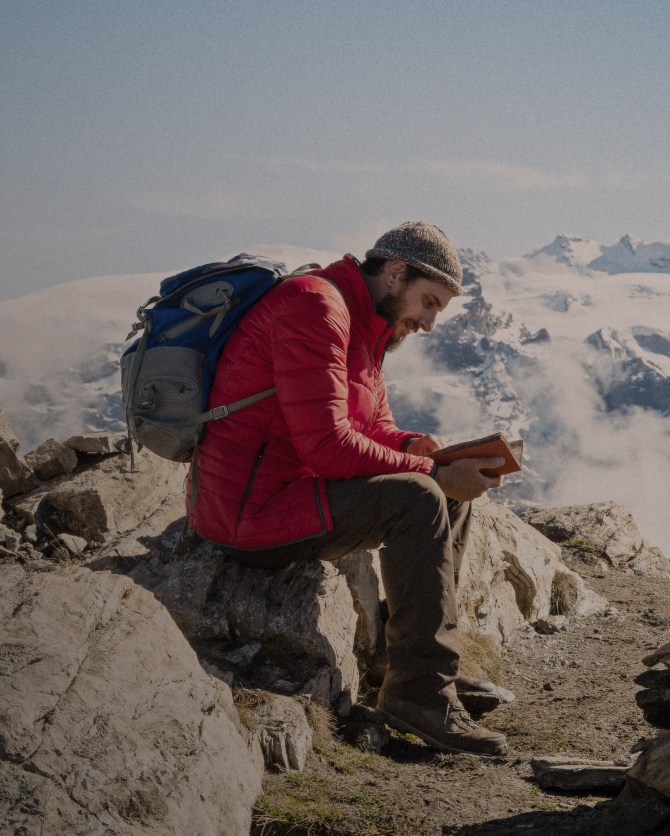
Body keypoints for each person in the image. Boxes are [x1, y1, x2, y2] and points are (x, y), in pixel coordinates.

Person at [186, 221, 509, 755]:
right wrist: (431, 474)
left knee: (442, 488)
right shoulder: (315, 306)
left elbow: (370, 426)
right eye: (429, 302)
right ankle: (420, 697)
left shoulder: (367, 321)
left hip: (295, 491)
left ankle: (411, 667)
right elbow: (327, 446)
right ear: (395, 273)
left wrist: (416, 447)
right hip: (248, 514)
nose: (429, 323)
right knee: (420, 496)